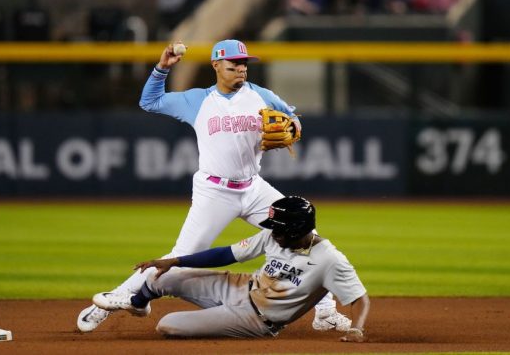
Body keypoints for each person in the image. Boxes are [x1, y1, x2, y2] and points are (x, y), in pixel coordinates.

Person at [77, 39, 350, 333]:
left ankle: (324, 312)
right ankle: (117, 299)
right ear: (216, 65)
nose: (241, 71)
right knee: (182, 254)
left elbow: (293, 118)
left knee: (307, 239)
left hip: (254, 188)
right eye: (234, 65)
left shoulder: (262, 95)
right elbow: (150, 102)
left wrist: (294, 127)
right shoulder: (197, 101)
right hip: (215, 191)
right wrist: (161, 69)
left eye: (244, 65)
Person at [93, 196, 370, 340]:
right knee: (160, 277)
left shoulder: (330, 260)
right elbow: (227, 254)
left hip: (257, 319)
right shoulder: (274, 236)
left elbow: (359, 298)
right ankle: (137, 304)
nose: (272, 233)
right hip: (241, 285)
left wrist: (356, 329)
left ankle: (220, 318)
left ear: (298, 229)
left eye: (279, 230)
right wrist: (175, 261)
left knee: (168, 326)